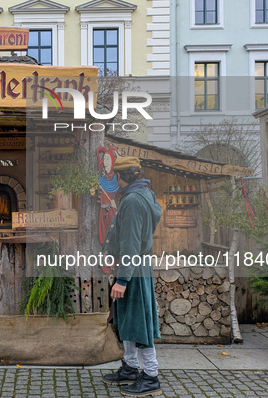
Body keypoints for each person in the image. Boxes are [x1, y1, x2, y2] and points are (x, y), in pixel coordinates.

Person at [101, 156, 162, 397]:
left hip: (133, 270)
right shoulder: (143, 194)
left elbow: (131, 243)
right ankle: (130, 368)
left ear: (119, 176)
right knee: (127, 319)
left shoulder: (134, 200)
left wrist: (123, 280)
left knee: (139, 322)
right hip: (133, 266)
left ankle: (150, 376)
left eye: (115, 175)